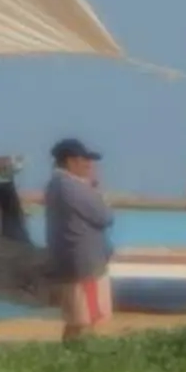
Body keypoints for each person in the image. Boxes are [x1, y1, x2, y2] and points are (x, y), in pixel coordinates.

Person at [44, 137, 115, 342]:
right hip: (85, 264)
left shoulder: (58, 185)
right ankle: (80, 361)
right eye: (84, 160)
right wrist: (93, 190)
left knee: (77, 319)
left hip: (75, 262)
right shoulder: (70, 187)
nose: (89, 165)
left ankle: (70, 358)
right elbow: (104, 216)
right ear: (70, 162)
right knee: (87, 321)